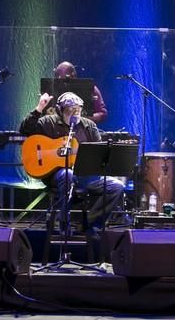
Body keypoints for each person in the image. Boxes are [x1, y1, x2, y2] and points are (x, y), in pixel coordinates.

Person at [20, 91, 123, 237]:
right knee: (67, 174)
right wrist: (39, 108)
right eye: (70, 110)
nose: (75, 114)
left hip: (85, 176)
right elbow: (25, 130)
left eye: (78, 110)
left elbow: (98, 153)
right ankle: (64, 224)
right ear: (60, 110)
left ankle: (91, 224)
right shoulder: (48, 122)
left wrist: (98, 157)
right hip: (57, 175)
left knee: (116, 186)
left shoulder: (89, 126)